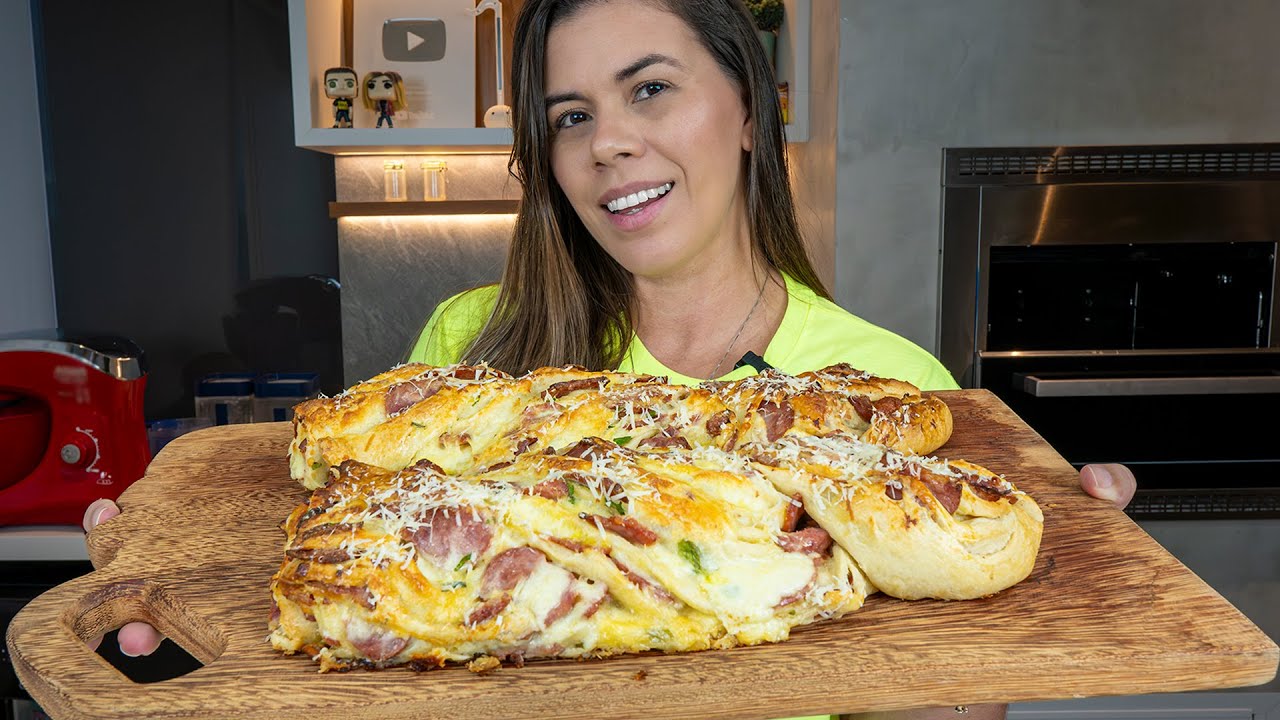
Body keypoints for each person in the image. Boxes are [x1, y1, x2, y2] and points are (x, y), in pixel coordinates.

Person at [84, 1, 1137, 717]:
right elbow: (378, 650)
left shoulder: (890, 397)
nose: (607, 143)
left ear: (749, 110)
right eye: (571, 116)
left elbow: (939, 699)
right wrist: (182, 627)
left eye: (648, 91)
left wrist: (1020, 618)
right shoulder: (467, 352)